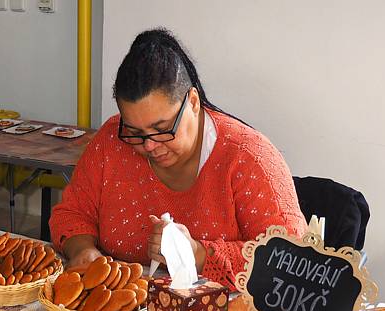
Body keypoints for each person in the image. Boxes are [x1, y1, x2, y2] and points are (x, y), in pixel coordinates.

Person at [50, 28, 306, 288]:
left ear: (193, 102)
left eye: (162, 129)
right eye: (135, 132)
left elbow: (292, 262)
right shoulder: (111, 140)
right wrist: (82, 249)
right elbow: (72, 212)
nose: (149, 145)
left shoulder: (249, 158)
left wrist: (198, 254)